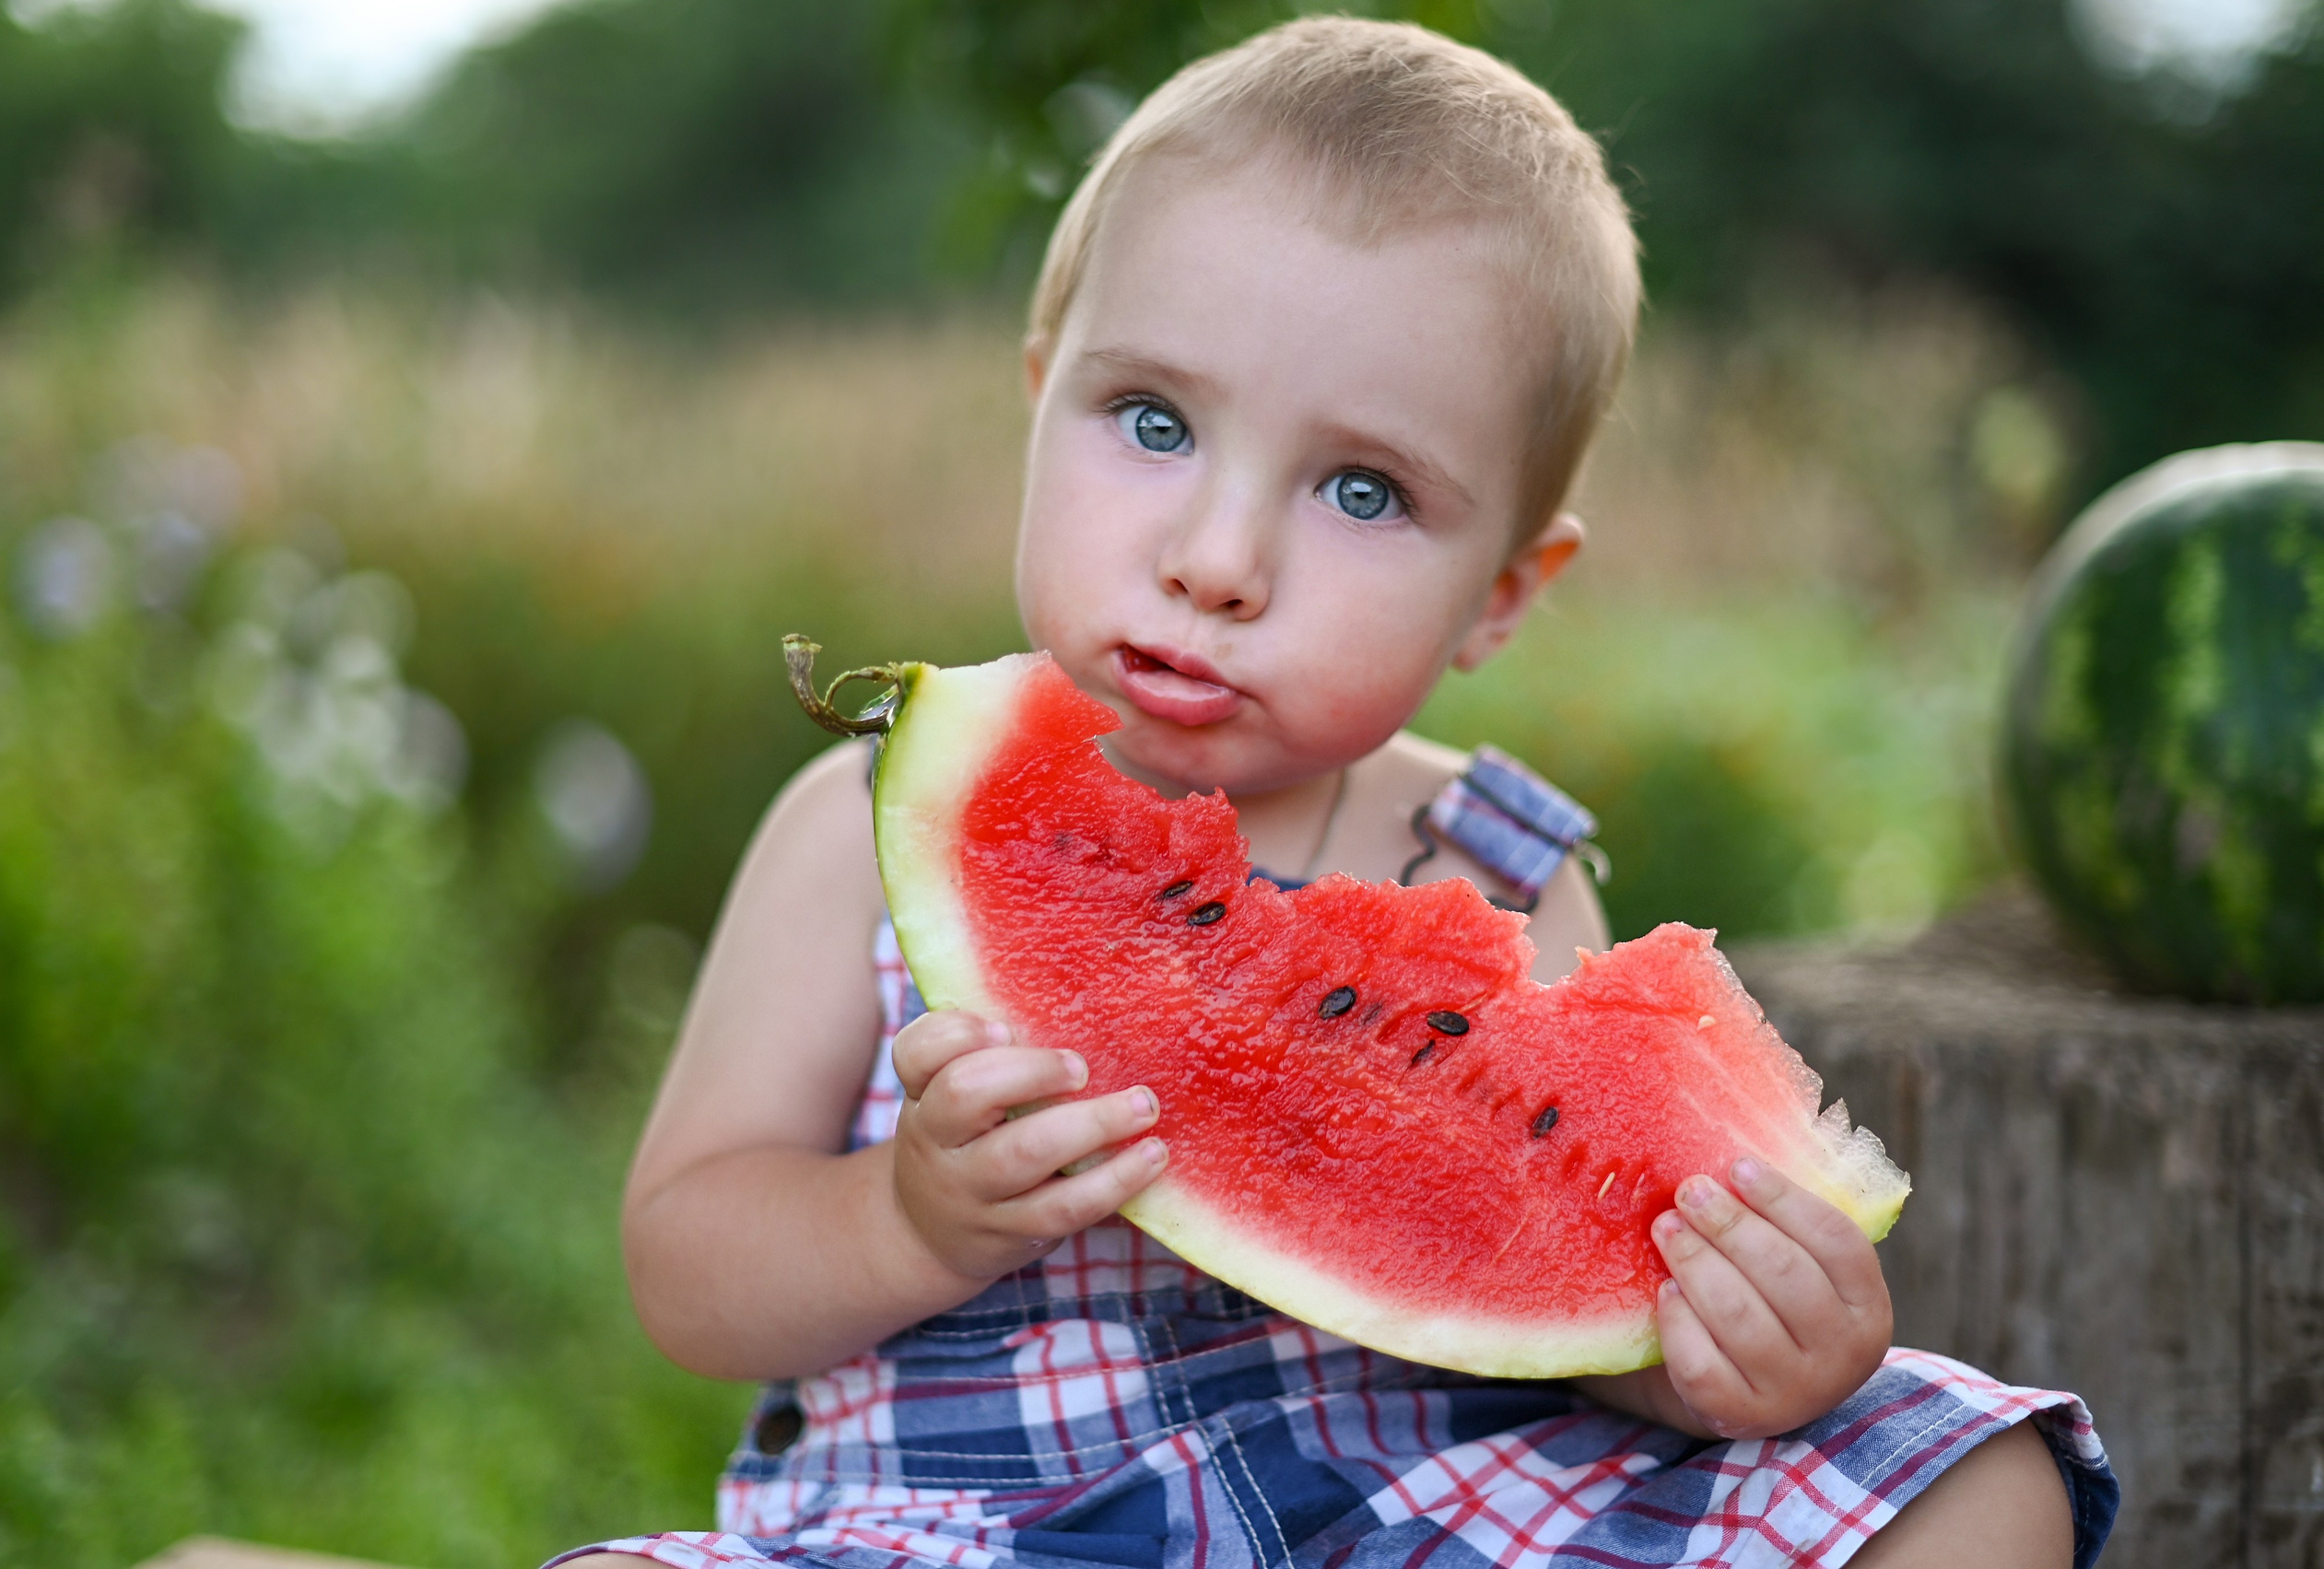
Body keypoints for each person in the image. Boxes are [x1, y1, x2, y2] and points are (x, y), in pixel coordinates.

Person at [553, 18, 2118, 1568]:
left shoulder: (1499, 866)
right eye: (1152, 423)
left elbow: (1580, 1296)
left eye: (1363, 490)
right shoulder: (860, 830)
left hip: (1421, 1519)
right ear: (1039, 396)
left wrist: (1718, 1352)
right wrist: (904, 1223)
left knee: (1982, 1484)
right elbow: (688, 1264)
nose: (1219, 561)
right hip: (959, 1532)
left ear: (1503, 594)